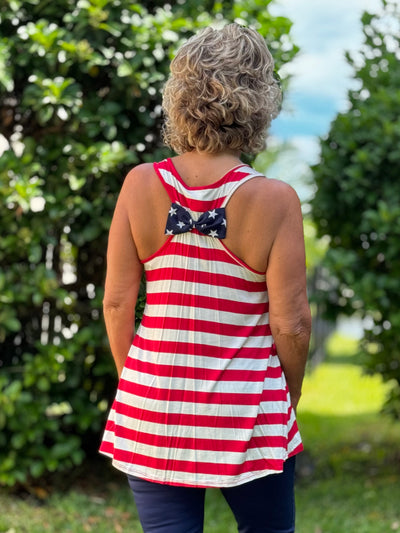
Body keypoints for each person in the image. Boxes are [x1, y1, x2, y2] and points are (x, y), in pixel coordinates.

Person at [100, 23, 311, 533]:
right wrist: (289, 395)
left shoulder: (138, 185)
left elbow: (115, 303)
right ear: (260, 101)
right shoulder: (275, 200)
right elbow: (293, 324)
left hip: (154, 408)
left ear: (180, 97)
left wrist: (143, 381)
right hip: (248, 411)